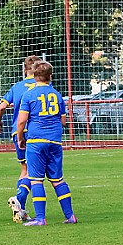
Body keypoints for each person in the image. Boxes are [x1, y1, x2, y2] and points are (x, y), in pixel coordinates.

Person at [17, 60, 77, 226]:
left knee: (36, 180)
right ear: (50, 76)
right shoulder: (57, 95)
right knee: (58, 180)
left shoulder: (29, 95)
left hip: (36, 141)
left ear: (34, 76)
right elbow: (63, 121)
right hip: (55, 141)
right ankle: (70, 215)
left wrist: (20, 137)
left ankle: (40, 218)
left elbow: (22, 121)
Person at [0, 55, 42, 223]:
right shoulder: (42, 85)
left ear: (24, 70)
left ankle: (20, 209)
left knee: (25, 170)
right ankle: (20, 199)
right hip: (36, 132)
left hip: (18, 132)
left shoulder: (17, 87)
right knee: (36, 172)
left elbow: (1, 107)